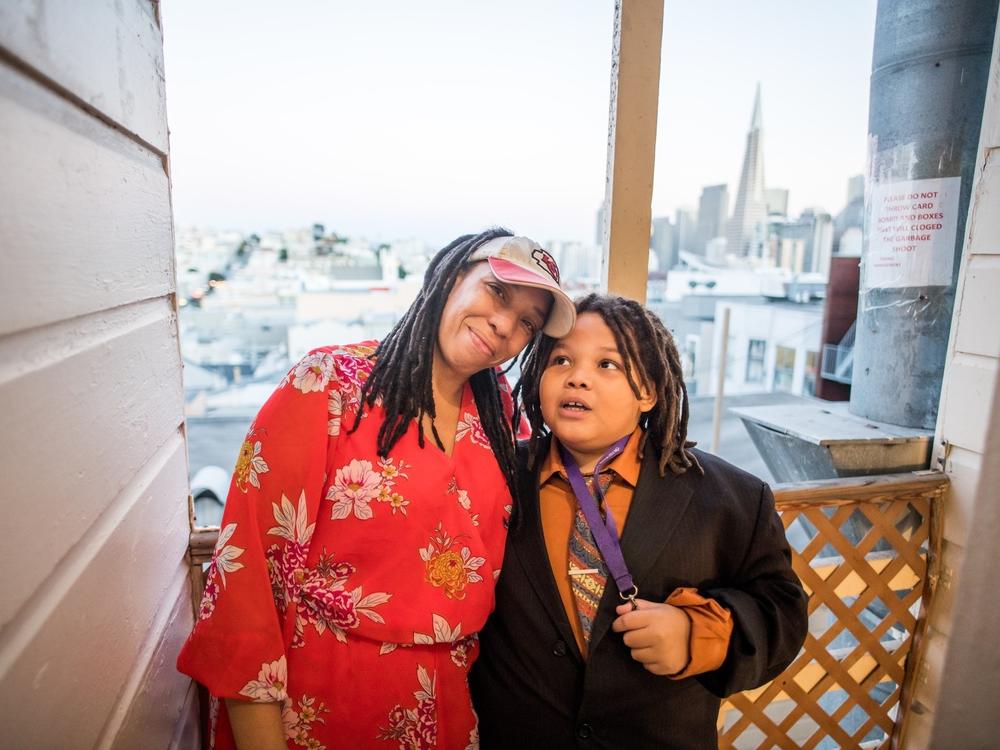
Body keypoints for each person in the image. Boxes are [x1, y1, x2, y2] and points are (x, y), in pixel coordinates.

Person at [177, 228, 575, 750]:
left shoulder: (503, 420)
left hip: (451, 711)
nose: (504, 325)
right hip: (318, 708)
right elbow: (247, 581)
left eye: (528, 322)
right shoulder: (329, 386)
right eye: (498, 292)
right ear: (452, 276)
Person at [470, 293, 808, 749]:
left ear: (647, 390)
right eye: (561, 360)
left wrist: (698, 634)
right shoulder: (493, 476)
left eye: (607, 365)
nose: (578, 378)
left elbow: (783, 612)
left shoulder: (731, 498)